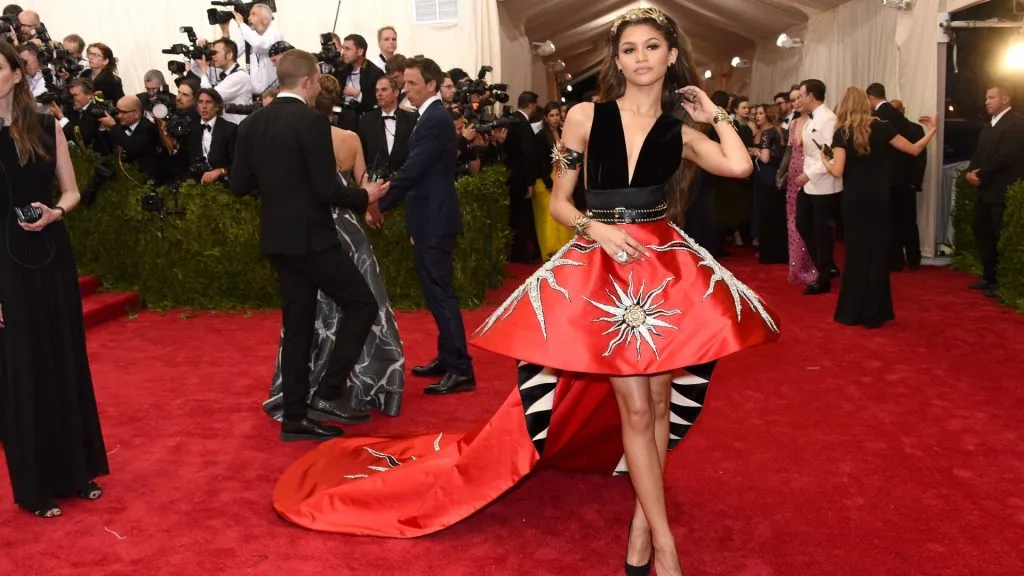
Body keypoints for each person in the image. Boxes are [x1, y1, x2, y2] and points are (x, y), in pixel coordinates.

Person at [270, 9, 780, 576]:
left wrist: (714, 114)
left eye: (652, 47)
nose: (640, 58)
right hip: (606, 271)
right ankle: (666, 548)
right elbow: (563, 202)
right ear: (617, 59)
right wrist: (598, 229)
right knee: (636, 410)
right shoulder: (586, 117)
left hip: (661, 270)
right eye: (629, 48)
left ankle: (641, 530)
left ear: (669, 56)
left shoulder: (679, 131)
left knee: (659, 404)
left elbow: (737, 165)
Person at [230, 49, 389, 441]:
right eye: (317, 80)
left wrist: (278, 184)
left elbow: (239, 185)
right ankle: (329, 393)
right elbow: (325, 189)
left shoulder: (252, 124)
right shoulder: (310, 122)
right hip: (312, 239)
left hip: (277, 240)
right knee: (363, 304)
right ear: (306, 81)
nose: (319, 86)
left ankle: (295, 417)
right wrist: (364, 195)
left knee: (298, 325)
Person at [0, 40, 108, 519]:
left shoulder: (47, 124)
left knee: (63, 358)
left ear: (15, 73)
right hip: (2, 266)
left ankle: (75, 471)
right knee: (20, 373)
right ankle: (35, 487)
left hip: (49, 251)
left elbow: (71, 190)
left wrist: (55, 213)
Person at [264, 74, 405, 420]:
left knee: (310, 314)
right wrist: (372, 210)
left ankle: (306, 388)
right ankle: (351, 383)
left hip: (307, 232)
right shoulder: (350, 138)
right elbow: (361, 189)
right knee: (363, 305)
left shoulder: (292, 135)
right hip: (347, 233)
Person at [376, 56, 476, 395]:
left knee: (440, 294)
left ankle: (461, 368)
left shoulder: (434, 118)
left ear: (432, 85)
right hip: (429, 215)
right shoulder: (430, 117)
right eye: (405, 83)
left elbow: (413, 170)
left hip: (434, 217)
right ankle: (448, 358)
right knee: (436, 293)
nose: (406, 89)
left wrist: (381, 205)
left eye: (412, 83)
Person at [822, 87, 936, 328]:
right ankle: (875, 313)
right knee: (878, 253)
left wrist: (825, 160)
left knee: (856, 255)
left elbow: (837, 171)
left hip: (854, 200)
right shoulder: (882, 128)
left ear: (844, 106)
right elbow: (915, 149)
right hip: (878, 199)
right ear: (867, 104)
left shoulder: (841, 133)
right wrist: (932, 131)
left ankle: (851, 312)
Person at [784, 86, 818, 286]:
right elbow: (789, 152)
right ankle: (797, 267)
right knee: (793, 222)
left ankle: (813, 265)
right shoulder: (794, 123)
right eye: (792, 100)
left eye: (798, 98)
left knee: (809, 221)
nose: (796, 102)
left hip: (812, 176)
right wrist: (782, 174)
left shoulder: (817, 123)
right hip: (793, 177)